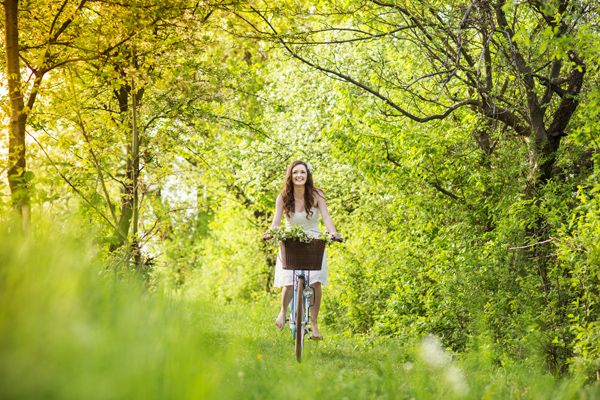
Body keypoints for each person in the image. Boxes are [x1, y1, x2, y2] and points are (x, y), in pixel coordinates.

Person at [263, 160, 343, 340]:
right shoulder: (283, 197)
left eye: (303, 173)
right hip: (291, 240)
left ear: (308, 176)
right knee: (290, 282)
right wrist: (270, 233)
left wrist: (333, 232)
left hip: (313, 240)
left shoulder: (317, 195)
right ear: (290, 176)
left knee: (315, 282)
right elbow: (276, 223)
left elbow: (326, 217)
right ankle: (283, 312)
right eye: (295, 172)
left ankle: (314, 324)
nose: (299, 175)